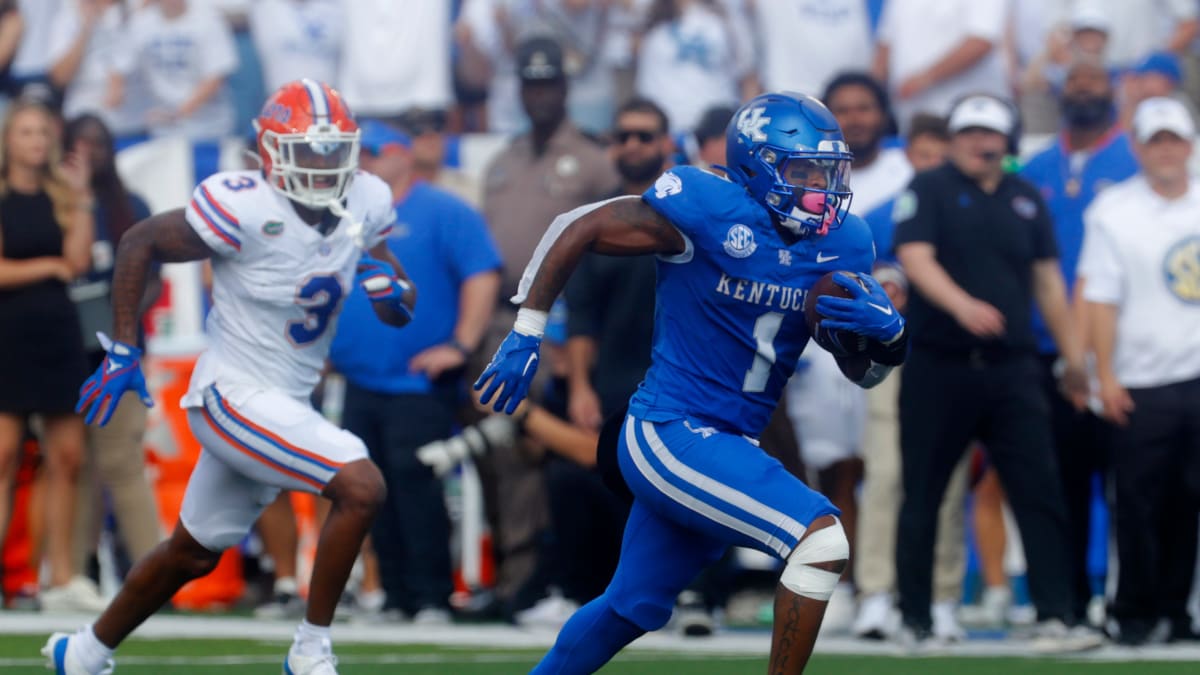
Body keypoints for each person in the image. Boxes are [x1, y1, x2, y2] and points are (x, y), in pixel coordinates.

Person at [477, 91, 908, 673]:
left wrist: (888, 338)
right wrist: (526, 330)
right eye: (803, 171)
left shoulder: (845, 242)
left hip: (732, 440)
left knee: (631, 608)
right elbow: (577, 224)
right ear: (755, 166)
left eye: (829, 172)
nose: (820, 189)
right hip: (671, 427)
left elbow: (863, 372)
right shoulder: (708, 205)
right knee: (819, 538)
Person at [45, 79, 415, 675]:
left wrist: (392, 295)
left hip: (286, 400)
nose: (323, 165)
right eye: (308, 151)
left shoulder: (366, 200)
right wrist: (123, 347)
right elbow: (140, 241)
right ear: (271, 152)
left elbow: (398, 296)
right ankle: (311, 648)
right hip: (231, 393)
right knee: (361, 484)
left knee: (191, 554)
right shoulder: (244, 204)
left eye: (333, 150)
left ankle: (82, 652)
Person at [891, 93, 1098, 649]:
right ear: (955, 139)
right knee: (924, 493)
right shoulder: (928, 189)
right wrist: (961, 305)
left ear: (1007, 141)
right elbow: (915, 258)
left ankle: (1057, 615)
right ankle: (915, 617)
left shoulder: (1026, 197)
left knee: (1040, 490)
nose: (981, 144)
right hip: (941, 364)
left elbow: (1049, 281)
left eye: (991, 134)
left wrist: (1075, 357)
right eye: (970, 133)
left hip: (1013, 367)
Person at [330, 119, 501, 624]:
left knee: (416, 482)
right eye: (359, 155)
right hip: (359, 379)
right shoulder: (347, 217)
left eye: (376, 153)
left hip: (417, 381)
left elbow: (481, 274)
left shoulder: (444, 210)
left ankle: (430, 596)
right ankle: (396, 594)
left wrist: (460, 344)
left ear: (404, 155)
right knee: (366, 488)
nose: (365, 163)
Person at [1019, 55, 1138, 627]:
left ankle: (1128, 601)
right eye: (1075, 80)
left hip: (1121, 354)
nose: (1085, 87)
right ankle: (1064, 604)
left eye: (1095, 78)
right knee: (1060, 485)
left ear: (1113, 90)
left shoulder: (1138, 159)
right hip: (1047, 352)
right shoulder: (1037, 165)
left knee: (1129, 487)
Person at [1078, 96, 1200, 645]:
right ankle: (1134, 611)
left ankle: (1180, 611)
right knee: (1137, 503)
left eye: (1175, 139)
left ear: (1190, 144)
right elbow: (1100, 297)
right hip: (1140, 380)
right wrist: (1103, 374)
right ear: (1137, 147)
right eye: (1157, 141)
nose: (1168, 150)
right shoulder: (1112, 211)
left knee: (1189, 502)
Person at [0, 98, 98, 611]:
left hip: (58, 334)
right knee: (3, 454)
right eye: (26, 132)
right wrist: (49, 266)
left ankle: (59, 576)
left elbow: (79, 261)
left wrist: (82, 198)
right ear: (9, 140)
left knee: (68, 458)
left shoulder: (63, 198)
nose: (36, 141)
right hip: (8, 333)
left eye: (42, 132)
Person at [63, 113, 163, 584]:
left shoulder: (132, 206)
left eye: (99, 143)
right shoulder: (54, 203)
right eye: (79, 143)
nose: (90, 152)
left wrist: (119, 322)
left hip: (116, 351)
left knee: (121, 461)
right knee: (72, 463)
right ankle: (73, 574)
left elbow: (153, 279)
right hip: (61, 349)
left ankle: (152, 573)